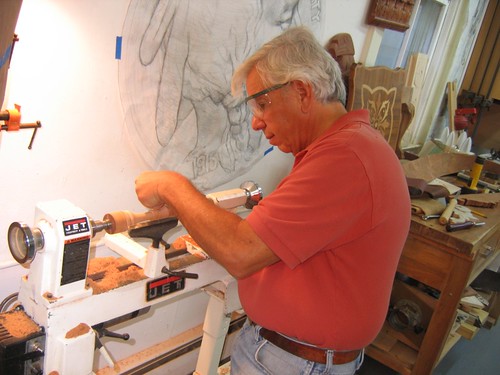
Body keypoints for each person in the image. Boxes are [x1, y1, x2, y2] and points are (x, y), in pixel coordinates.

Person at [135, 26, 411, 375]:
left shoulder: (345, 159)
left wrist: (172, 185)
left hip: (296, 362)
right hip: (296, 355)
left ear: (301, 92)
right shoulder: (343, 148)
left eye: (262, 103)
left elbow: (241, 251)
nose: (255, 123)